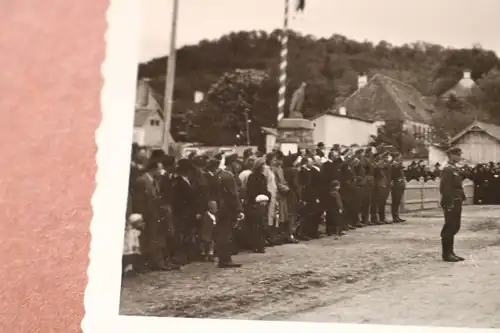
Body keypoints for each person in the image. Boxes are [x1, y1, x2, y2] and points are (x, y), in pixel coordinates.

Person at [439, 147, 466, 262]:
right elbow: (445, 188)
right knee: (450, 226)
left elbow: (457, 185)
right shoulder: (447, 169)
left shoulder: (454, 169)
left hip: (457, 200)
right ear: (451, 155)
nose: (460, 157)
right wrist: (449, 202)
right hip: (451, 201)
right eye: (458, 155)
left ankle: (451, 252)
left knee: (455, 226)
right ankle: (446, 254)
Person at [246, 157, 271, 253]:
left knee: (261, 225)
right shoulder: (252, 177)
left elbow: (264, 189)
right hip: (255, 203)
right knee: (256, 225)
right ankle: (256, 245)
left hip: (262, 202)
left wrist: (267, 196)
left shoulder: (262, 177)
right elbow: (251, 191)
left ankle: (260, 244)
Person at [390, 152, 406, 223]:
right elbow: (393, 174)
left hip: (399, 184)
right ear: (395, 157)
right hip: (396, 184)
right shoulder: (393, 164)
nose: (399, 158)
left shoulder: (397, 164)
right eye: (398, 157)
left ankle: (397, 216)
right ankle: (395, 217)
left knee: (398, 201)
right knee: (395, 201)